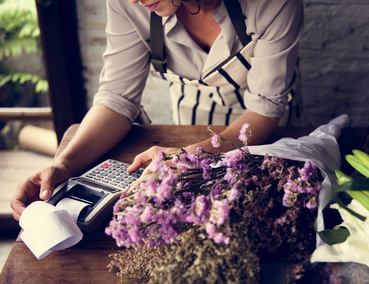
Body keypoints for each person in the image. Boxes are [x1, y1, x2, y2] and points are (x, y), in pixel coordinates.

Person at [11, 0, 304, 221]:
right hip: (191, 114)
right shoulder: (129, 3)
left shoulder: (273, 4)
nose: (136, 0)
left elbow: (264, 109)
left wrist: (192, 156)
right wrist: (64, 165)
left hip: (260, 126)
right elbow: (117, 97)